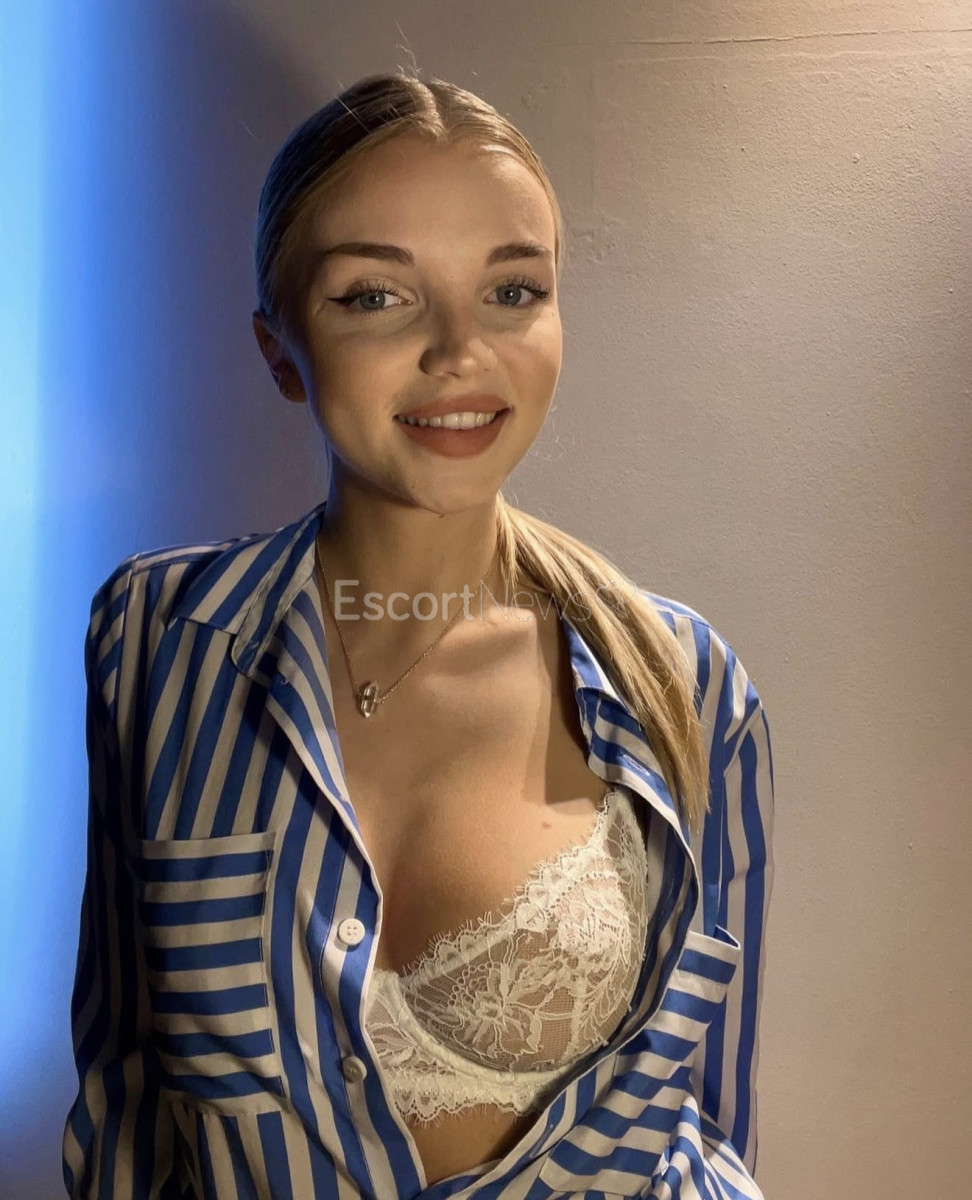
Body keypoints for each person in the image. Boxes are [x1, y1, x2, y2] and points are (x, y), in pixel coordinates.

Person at [63, 71, 774, 1200]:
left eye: (512, 290)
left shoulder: (683, 683)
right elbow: (128, 1099)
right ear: (279, 348)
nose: (459, 352)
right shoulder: (155, 638)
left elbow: (715, 1118)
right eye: (375, 296)